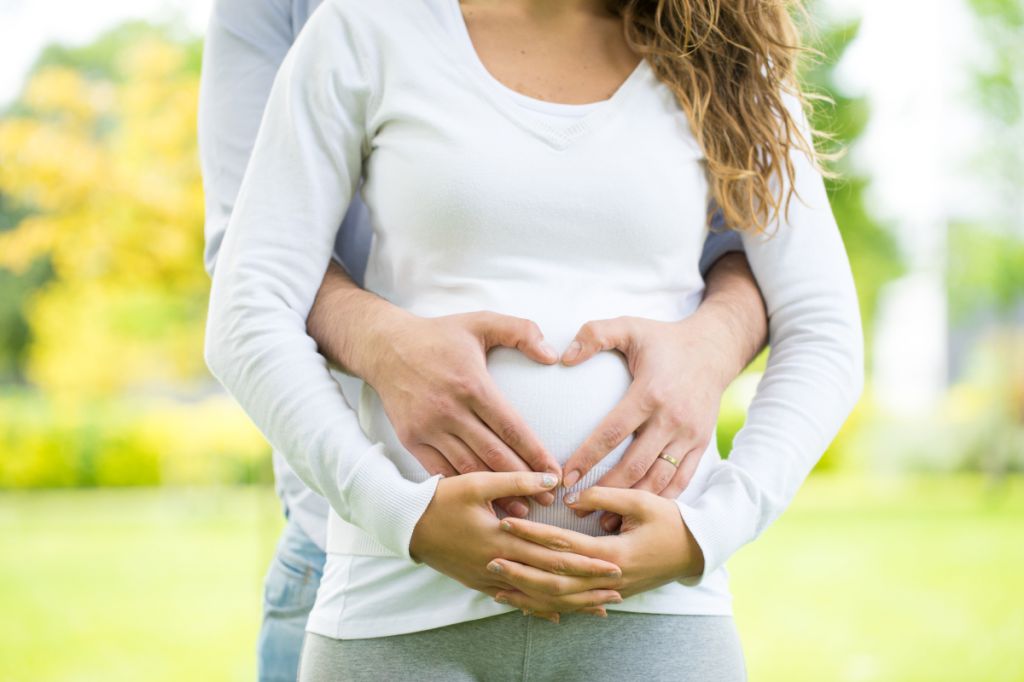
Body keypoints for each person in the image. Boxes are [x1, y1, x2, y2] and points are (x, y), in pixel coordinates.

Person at [203, 0, 863, 679]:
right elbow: (247, 307)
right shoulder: (364, 30)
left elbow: (823, 328)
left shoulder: (725, 52)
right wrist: (402, 516)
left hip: (655, 620)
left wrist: (709, 531)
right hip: (397, 610)